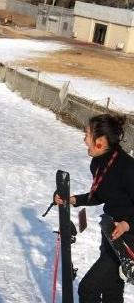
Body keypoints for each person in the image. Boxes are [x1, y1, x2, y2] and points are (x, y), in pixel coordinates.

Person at [54, 114, 134, 302]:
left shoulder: (127, 168)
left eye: (87, 134)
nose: (84, 139)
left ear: (99, 141)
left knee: (88, 288)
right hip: (111, 233)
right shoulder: (98, 163)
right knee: (112, 290)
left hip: (128, 240)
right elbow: (101, 194)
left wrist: (126, 225)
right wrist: (73, 199)